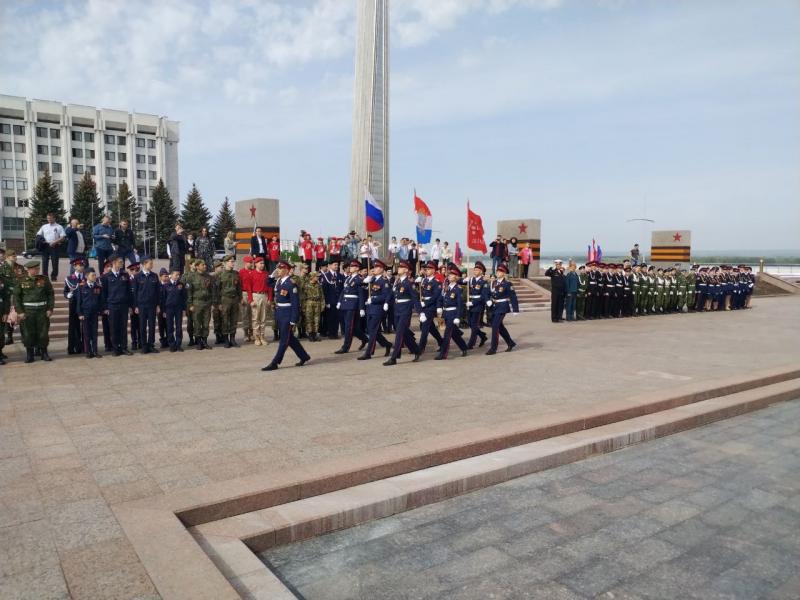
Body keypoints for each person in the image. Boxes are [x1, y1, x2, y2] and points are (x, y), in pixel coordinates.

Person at [261, 261, 311, 371]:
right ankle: (304, 356)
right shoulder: (279, 281)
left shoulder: (291, 284)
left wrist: (294, 319)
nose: (278, 270)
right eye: (277, 269)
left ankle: (275, 362)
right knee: (290, 339)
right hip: (280, 313)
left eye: (280, 269)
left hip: (288, 315)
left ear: (287, 270)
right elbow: (267, 283)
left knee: (284, 340)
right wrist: (271, 275)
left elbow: (295, 303)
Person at [14, 260, 55, 362]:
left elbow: (50, 294)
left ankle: (44, 353)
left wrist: (50, 308)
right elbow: (16, 298)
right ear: (28, 269)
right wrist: (20, 312)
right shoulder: (20, 280)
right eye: (34, 269)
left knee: (43, 333)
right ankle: (30, 355)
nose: (37, 271)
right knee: (28, 333)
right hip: (28, 311)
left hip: (42, 311)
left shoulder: (44, 279)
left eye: (38, 269)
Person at [384, 260, 421, 366]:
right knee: (404, 333)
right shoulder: (397, 282)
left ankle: (394, 357)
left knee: (399, 333)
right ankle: (417, 350)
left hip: (405, 310)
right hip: (396, 309)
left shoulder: (409, 284)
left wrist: (420, 312)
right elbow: (391, 293)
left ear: (406, 270)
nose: (398, 269)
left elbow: (415, 299)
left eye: (400, 267)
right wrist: (386, 302)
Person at [357, 259, 393, 360]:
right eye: (374, 267)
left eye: (377, 267)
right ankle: (387, 344)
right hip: (370, 308)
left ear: (382, 269)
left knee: (372, 331)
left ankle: (368, 352)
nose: (375, 269)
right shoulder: (372, 279)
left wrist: (373, 299)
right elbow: (359, 285)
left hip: (378, 309)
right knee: (372, 330)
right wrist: (365, 279)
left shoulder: (384, 281)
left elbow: (386, 296)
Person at [434, 264, 469, 360]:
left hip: (452, 314)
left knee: (447, 334)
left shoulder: (458, 289)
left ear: (456, 277)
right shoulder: (446, 287)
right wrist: (439, 307)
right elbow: (440, 299)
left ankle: (443, 354)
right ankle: (464, 347)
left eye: (451, 275)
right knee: (452, 333)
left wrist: (458, 316)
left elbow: (460, 304)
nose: (449, 276)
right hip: (444, 314)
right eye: (448, 275)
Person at [102, 254, 133, 356]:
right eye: (120, 262)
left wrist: (129, 306)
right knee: (114, 328)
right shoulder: (106, 277)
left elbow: (129, 291)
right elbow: (104, 293)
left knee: (123, 327)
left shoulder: (125, 275)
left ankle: (124, 347)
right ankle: (116, 348)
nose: (122, 263)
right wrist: (105, 307)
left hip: (123, 305)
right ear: (114, 263)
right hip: (112, 306)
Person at [334, 259, 367, 354]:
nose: (350, 268)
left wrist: (361, 308)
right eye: (350, 266)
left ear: (357, 268)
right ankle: (365, 338)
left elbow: (361, 295)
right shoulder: (348, 278)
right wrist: (339, 301)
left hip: (353, 305)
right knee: (353, 328)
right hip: (345, 304)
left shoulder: (359, 279)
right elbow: (343, 291)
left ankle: (345, 347)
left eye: (352, 266)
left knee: (349, 327)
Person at [485, 264, 519, 354]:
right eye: (497, 271)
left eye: (500, 272)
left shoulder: (507, 284)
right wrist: (488, 300)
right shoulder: (494, 282)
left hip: (502, 306)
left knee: (495, 327)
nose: (498, 273)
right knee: (500, 327)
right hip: (494, 306)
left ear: (504, 273)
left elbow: (513, 297)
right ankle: (510, 343)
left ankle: (493, 348)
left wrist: (515, 309)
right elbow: (487, 293)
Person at [132, 255, 160, 354]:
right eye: (150, 263)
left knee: (152, 326)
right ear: (144, 264)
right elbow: (135, 293)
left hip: (152, 305)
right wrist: (135, 306)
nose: (152, 265)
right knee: (142, 326)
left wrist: (157, 305)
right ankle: (144, 345)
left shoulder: (154, 276)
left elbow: (158, 292)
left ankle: (151, 344)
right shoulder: (137, 277)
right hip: (142, 305)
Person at [187, 258, 217, 350]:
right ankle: (198, 342)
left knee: (206, 323)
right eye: (202, 265)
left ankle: (205, 341)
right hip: (196, 303)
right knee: (197, 323)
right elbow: (189, 292)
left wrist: (213, 303)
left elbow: (213, 291)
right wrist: (190, 304)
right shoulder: (191, 277)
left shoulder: (209, 277)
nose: (205, 266)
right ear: (197, 267)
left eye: (205, 265)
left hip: (207, 303)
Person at [416, 261, 444, 355]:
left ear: (433, 270)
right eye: (426, 269)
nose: (426, 271)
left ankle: (420, 349)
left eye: (428, 269)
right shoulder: (424, 280)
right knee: (430, 327)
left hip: (430, 307)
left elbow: (435, 296)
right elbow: (420, 292)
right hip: (423, 305)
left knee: (425, 328)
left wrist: (426, 303)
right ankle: (441, 342)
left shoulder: (437, 282)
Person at [76, 266, 104, 358]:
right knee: (87, 333)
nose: (95, 276)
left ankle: (95, 351)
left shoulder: (98, 287)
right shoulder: (81, 287)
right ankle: (88, 351)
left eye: (95, 275)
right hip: (86, 313)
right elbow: (79, 302)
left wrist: (100, 311)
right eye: (93, 275)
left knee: (94, 333)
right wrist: (80, 313)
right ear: (87, 276)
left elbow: (100, 300)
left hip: (94, 313)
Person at [217, 255, 241, 347]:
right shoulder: (221, 274)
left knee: (234, 319)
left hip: (234, 299)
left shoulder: (236, 273)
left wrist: (240, 298)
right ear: (226, 262)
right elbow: (217, 289)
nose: (233, 263)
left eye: (233, 261)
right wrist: (218, 303)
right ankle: (226, 339)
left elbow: (238, 287)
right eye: (231, 261)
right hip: (225, 299)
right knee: (225, 320)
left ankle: (233, 339)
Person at [63, 258, 86, 354]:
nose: (81, 267)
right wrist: (67, 295)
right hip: (74, 304)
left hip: (85, 304)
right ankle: (74, 347)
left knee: (85, 326)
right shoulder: (69, 278)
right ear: (74, 266)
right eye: (79, 265)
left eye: (83, 265)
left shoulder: (86, 277)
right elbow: (65, 291)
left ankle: (85, 346)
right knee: (74, 326)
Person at [464, 260, 489, 348]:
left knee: (474, 324)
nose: (475, 271)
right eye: (474, 270)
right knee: (470, 323)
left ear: (481, 272)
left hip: (478, 305)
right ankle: (482, 335)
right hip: (470, 303)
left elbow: (483, 296)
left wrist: (473, 302)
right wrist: (463, 280)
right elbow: (459, 282)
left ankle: (471, 344)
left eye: (477, 270)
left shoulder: (483, 282)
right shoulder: (471, 280)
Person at [161, 268, 186, 352]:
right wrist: (164, 310)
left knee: (179, 327)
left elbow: (183, 298)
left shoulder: (181, 285)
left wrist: (183, 309)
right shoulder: (166, 285)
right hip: (169, 309)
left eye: (179, 275)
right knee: (170, 327)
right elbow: (163, 299)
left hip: (178, 309)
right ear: (171, 275)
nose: (178, 277)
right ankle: (172, 344)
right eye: (176, 275)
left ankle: (178, 344)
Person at [248, 257, 271, 346]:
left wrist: (269, 298)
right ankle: (256, 337)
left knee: (263, 318)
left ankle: (262, 336)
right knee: (255, 318)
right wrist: (250, 300)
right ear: (256, 264)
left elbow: (269, 287)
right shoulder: (252, 273)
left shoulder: (266, 274)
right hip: (255, 296)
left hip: (264, 295)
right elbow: (248, 288)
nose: (262, 265)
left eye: (263, 263)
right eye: (260, 263)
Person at [36, 213, 66, 281]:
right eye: (48, 218)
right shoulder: (44, 226)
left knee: (55, 262)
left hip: (55, 246)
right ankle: (45, 277)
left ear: (54, 218)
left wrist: (55, 242)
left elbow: (63, 237)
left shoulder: (59, 227)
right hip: (45, 246)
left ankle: (54, 276)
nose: (48, 219)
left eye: (50, 218)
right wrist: (42, 240)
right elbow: (38, 235)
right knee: (44, 262)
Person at [157, 268, 169, 348]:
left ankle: (169, 340)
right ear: (160, 277)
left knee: (168, 325)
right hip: (160, 309)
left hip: (168, 308)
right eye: (165, 276)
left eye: (167, 276)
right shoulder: (157, 285)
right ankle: (163, 341)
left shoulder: (169, 285)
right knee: (161, 326)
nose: (166, 278)